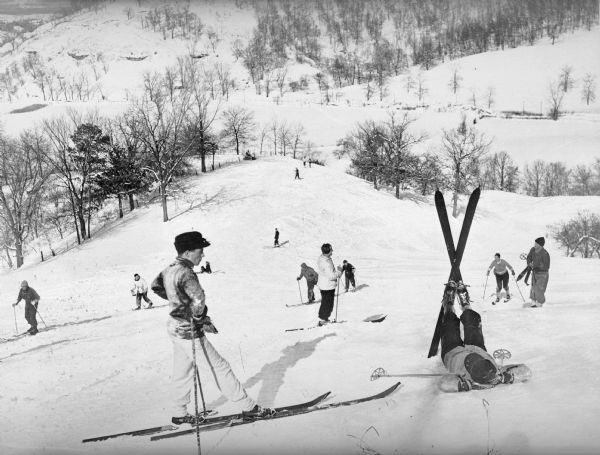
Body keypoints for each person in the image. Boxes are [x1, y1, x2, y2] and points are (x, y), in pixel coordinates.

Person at [151, 231, 274, 425]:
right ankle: (250, 408)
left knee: (182, 372)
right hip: (188, 331)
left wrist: (179, 302)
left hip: (175, 328)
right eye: (200, 251)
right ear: (188, 252)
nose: (203, 255)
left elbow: (156, 286)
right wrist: (198, 317)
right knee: (219, 367)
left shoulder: (170, 269)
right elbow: (199, 300)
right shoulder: (186, 272)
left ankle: (179, 413)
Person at [438, 298, 531, 392]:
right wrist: (506, 377)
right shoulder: (495, 373)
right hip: (477, 349)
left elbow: (443, 384)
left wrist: (466, 385)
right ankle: (466, 306)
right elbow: (526, 372)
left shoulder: (466, 380)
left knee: (449, 323)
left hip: (452, 353)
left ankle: (448, 306)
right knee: (473, 320)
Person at [316, 243, 342, 326]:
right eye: (331, 250)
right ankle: (323, 320)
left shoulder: (324, 258)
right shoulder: (326, 262)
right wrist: (339, 271)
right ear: (328, 251)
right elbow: (331, 276)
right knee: (328, 303)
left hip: (324, 284)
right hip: (327, 286)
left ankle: (323, 319)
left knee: (325, 302)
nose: (332, 251)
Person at [528, 237, 550, 307]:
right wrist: (529, 263)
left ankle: (540, 302)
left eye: (536, 243)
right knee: (533, 287)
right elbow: (529, 257)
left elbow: (546, 266)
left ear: (540, 245)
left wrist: (537, 266)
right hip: (535, 272)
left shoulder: (545, 253)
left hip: (543, 274)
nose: (534, 244)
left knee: (539, 288)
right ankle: (533, 301)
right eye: (535, 243)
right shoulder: (532, 250)